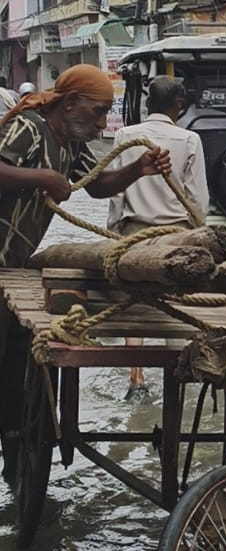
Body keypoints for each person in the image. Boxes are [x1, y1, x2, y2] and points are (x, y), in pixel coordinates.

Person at [0, 66, 172, 483]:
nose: (100, 123)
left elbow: (96, 186)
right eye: (97, 113)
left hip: (12, 265)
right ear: (69, 102)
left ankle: (17, 446)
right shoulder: (28, 127)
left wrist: (139, 169)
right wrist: (41, 176)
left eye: (105, 114)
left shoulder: (70, 145)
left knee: (20, 354)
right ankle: (12, 438)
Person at [107, 75, 209, 399]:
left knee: (132, 303)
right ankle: (175, 379)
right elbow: (197, 200)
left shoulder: (126, 135)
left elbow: (116, 191)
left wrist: (113, 234)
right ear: (178, 105)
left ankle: (135, 379)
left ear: (147, 103)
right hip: (175, 236)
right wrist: (197, 236)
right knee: (174, 305)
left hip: (133, 233)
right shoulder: (189, 140)